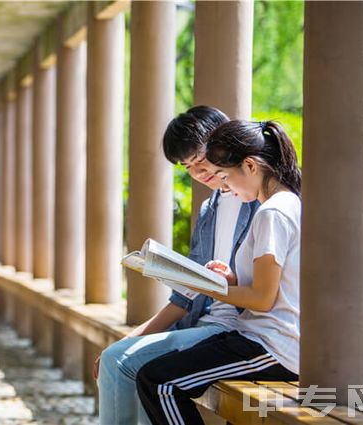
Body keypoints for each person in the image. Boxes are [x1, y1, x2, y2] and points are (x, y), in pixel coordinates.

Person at [96, 106, 259, 424]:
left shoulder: (259, 202)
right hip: (205, 326)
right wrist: (132, 337)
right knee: (124, 360)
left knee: (127, 366)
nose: (199, 173)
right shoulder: (209, 209)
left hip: (240, 332)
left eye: (200, 160)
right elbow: (186, 294)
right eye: (188, 167)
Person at [136, 120, 302, 424]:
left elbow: (263, 299)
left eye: (226, 176)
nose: (226, 187)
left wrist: (203, 284)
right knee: (158, 372)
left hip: (272, 346)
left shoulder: (272, 213)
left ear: (250, 166)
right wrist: (230, 280)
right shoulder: (283, 205)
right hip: (257, 337)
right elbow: (273, 286)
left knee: (159, 381)